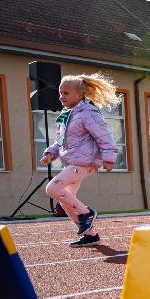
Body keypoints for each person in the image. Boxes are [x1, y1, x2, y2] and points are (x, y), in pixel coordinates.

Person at [40, 73, 118, 247]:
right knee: (64, 198)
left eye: (66, 93)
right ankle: (90, 235)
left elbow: (104, 136)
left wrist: (109, 157)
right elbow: (59, 141)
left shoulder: (88, 113)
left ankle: (86, 213)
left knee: (52, 188)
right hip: (72, 163)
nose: (61, 97)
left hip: (85, 163)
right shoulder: (66, 115)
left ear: (80, 94)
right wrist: (50, 154)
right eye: (60, 93)